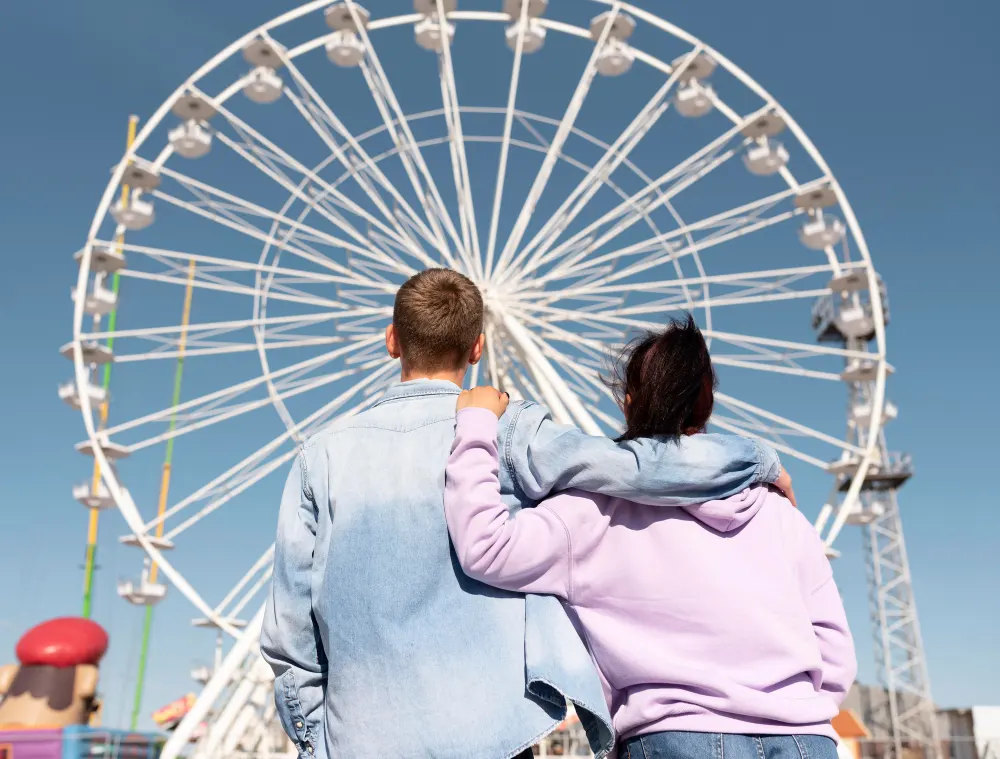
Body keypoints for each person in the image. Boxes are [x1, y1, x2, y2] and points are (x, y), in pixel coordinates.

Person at [261, 270, 795, 759]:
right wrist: (759, 461)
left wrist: (317, 742)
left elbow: (290, 633)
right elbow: (638, 469)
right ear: (477, 348)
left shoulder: (321, 457)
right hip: (497, 733)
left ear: (391, 339)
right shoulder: (508, 429)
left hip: (363, 738)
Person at [444, 315, 856, 759]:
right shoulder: (781, 514)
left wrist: (476, 427)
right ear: (707, 405)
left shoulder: (591, 514)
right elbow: (833, 647)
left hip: (673, 736)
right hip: (804, 739)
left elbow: (486, 547)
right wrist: (794, 711)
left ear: (628, 402)